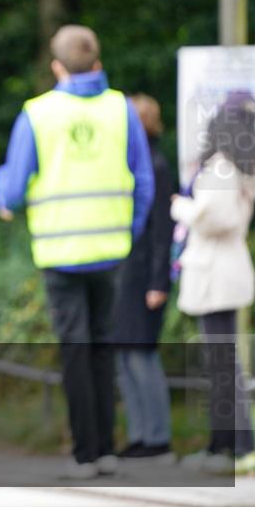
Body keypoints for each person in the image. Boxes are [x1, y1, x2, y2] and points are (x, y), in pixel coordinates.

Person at [0, 25, 154, 480]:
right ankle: (107, 449)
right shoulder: (121, 109)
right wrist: (129, 231)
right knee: (104, 347)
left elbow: (14, 188)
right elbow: (142, 181)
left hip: (61, 254)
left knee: (78, 352)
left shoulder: (38, 114)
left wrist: (4, 198)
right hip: (111, 251)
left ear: (57, 66)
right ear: (97, 62)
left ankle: (85, 454)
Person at [173, 93, 255, 474]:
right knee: (223, 364)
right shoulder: (243, 166)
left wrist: (180, 207)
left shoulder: (224, 168)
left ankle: (237, 445)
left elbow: (212, 218)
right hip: (225, 270)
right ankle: (226, 444)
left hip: (215, 273)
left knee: (223, 365)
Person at [113, 94, 174, 462]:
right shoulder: (130, 163)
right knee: (123, 355)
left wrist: (158, 281)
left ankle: (158, 438)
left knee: (141, 355)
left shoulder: (156, 165)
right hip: (123, 276)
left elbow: (162, 231)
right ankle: (139, 435)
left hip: (143, 278)